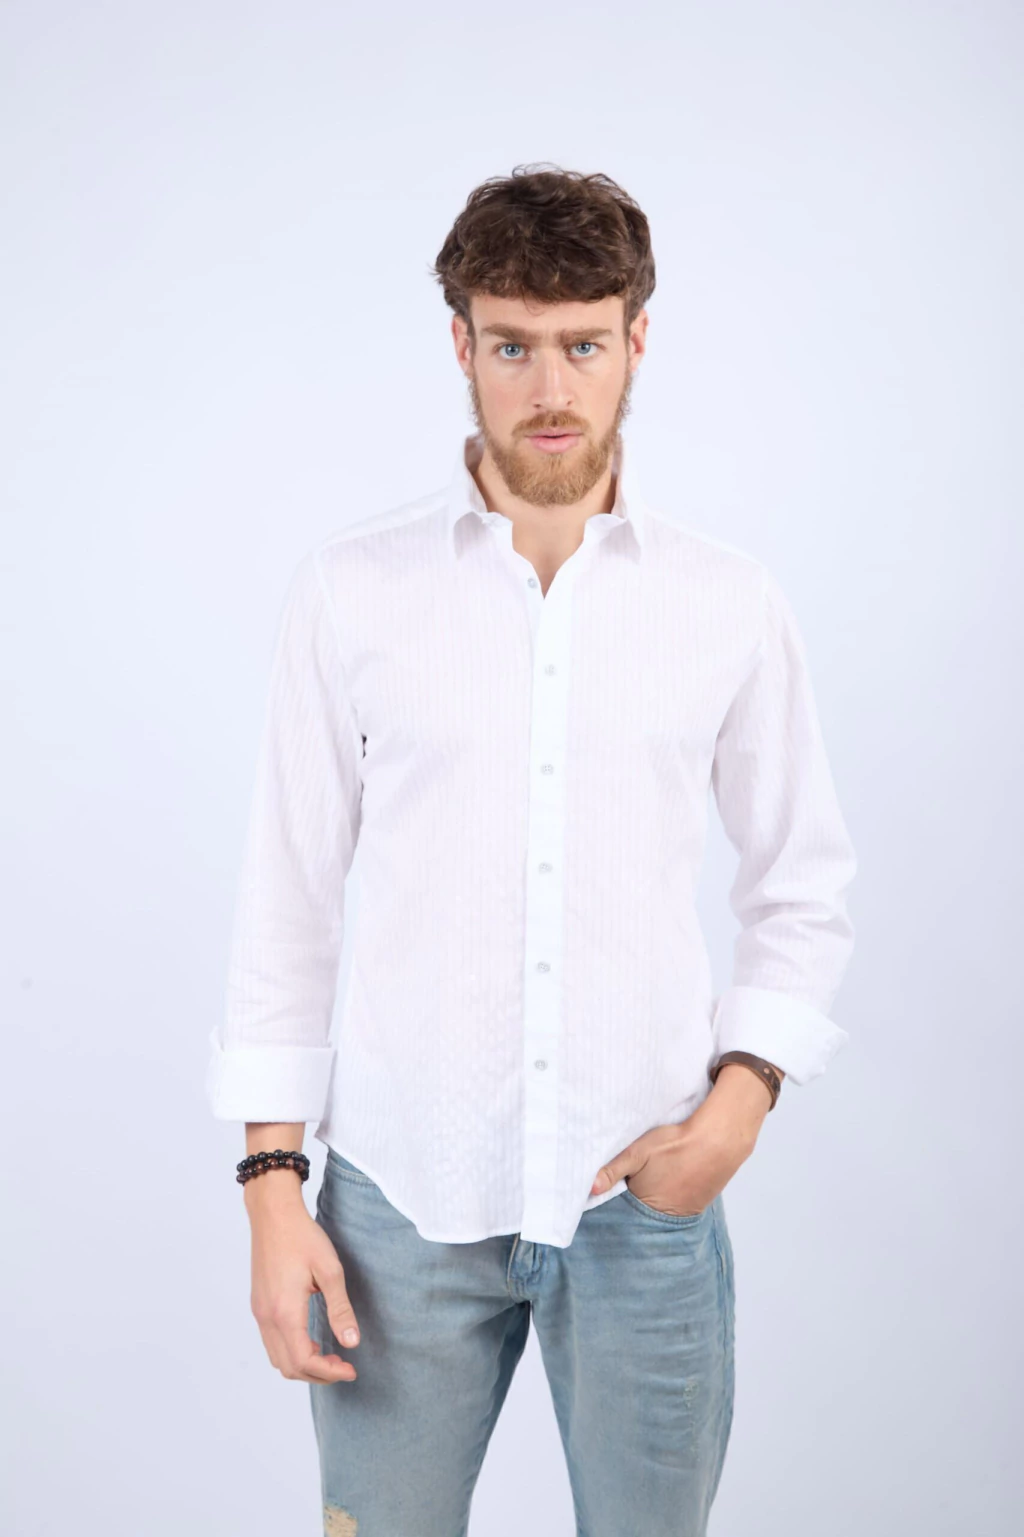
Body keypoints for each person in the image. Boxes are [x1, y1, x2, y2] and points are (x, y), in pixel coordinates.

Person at [205, 163, 857, 1536]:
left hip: (645, 1201)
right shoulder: (351, 592)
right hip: (399, 1203)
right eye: (512, 346)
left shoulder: (728, 603)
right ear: (461, 345)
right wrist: (272, 1189)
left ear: (636, 341)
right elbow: (288, 904)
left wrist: (736, 1112)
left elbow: (802, 884)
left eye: (583, 344)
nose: (550, 388)